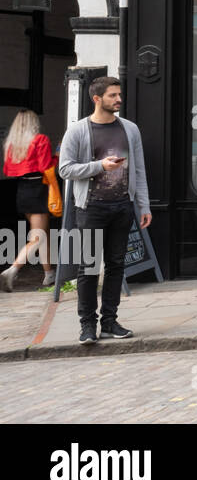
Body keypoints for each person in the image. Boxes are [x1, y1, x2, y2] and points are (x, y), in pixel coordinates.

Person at [58, 76, 152, 346]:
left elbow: (139, 170)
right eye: (113, 95)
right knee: (87, 268)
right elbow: (65, 169)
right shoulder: (77, 131)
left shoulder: (130, 129)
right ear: (97, 99)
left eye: (119, 94)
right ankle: (87, 325)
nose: (119, 99)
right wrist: (100, 166)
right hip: (90, 208)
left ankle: (109, 322)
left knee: (116, 266)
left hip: (122, 206)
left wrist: (143, 205)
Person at [0, 110, 56, 290]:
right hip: (38, 188)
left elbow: (8, 171)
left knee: (42, 234)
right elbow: (45, 166)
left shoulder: (11, 145)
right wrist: (59, 156)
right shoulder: (40, 140)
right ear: (33, 122)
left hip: (22, 189)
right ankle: (12, 270)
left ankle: (49, 274)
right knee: (38, 237)